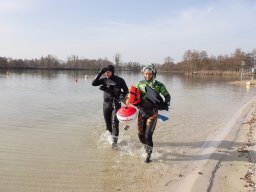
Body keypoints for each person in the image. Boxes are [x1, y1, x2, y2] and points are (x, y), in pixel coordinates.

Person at [126, 64, 170, 163]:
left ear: (153, 73)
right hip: (141, 113)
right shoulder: (139, 83)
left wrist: (166, 104)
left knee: (148, 135)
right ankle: (148, 147)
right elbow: (132, 94)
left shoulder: (159, 85)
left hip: (153, 113)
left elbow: (167, 96)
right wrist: (128, 99)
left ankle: (148, 156)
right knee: (141, 136)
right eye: (145, 74)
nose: (147, 76)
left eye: (149, 74)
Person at [92, 65, 128, 149]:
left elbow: (126, 91)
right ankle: (111, 138)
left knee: (115, 123)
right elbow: (93, 83)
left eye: (108, 72)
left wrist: (121, 94)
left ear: (112, 71)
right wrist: (100, 73)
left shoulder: (120, 80)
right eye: (105, 72)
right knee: (108, 125)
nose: (106, 74)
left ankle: (114, 143)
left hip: (116, 103)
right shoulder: (104, 80)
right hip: (106, 104)